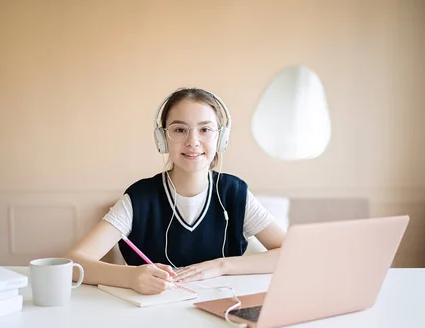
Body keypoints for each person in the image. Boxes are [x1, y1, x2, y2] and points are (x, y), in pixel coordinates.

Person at [65, 88, 286, 295]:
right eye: (180, 130)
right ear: (162, 139)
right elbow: (73, 264)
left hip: (220, 312)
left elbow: (292, 254)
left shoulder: (234, 193)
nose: (193, 141)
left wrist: (221, 265)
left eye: (205, 130)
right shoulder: (140, 197)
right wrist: (131, 277)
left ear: (221, 137)